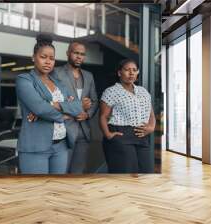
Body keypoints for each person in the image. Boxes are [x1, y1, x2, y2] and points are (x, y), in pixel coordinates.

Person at [15, 34, 83, 174]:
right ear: (34, 57)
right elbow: (39, 108)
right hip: (35, 146)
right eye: (43, 57)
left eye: (51, 58)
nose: (48, 62)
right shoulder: (24, 80)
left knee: (55, 191)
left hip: (61, 146)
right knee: (37, 192)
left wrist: (50, 103)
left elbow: (77, 106)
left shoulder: (58, 83)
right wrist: (64, 114)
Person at [99, 59, 155, 173]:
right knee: (125, 174)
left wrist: (152, 127)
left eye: (134, 70)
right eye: (127, 70)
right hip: (121, 135)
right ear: (119, 73)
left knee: (147, 172)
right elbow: (103, 117)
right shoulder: (111, 91)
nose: (131, 73)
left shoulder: (143, 91)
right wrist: (108, 135)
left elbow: (151, 113)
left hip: (142, 137)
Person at [53, 40, 98, 173]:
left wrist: (87, 114)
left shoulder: (89, 76)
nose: (79, 57)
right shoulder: (56, 73)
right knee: (61, 172)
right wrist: (77, 107)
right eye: (76, 53)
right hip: (63, 132)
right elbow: (52, 101)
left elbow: (94, 101)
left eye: (82, 54)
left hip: (83, 133)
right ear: (68, 53)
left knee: (78, 173)